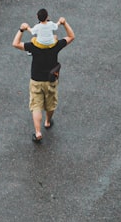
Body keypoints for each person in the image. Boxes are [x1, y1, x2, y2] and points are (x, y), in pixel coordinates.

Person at [12, 10, 74, 143]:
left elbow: (15, 43)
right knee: (50, 104)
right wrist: (64, 23)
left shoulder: (33, 46)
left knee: (36, 106)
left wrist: (21, 30)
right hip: (51, 80)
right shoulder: (55, 45)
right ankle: (47, 122)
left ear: (37, 18)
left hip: (36, 80)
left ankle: (38, 132)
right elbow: (71, 36)